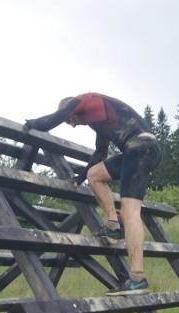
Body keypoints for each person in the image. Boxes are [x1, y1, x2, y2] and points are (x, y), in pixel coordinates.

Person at [24, 93, 161, 296]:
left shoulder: (87, 100)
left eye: (69, 118)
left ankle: (137, 279)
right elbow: (100, 155)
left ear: (72, 108)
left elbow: (50, 120)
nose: (70, 123)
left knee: (131, 212)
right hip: (140, 149)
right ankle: (113, 227)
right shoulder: (99, 122)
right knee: (94, 175)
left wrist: (29, 125)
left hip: (140, 148)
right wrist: (79, 178)